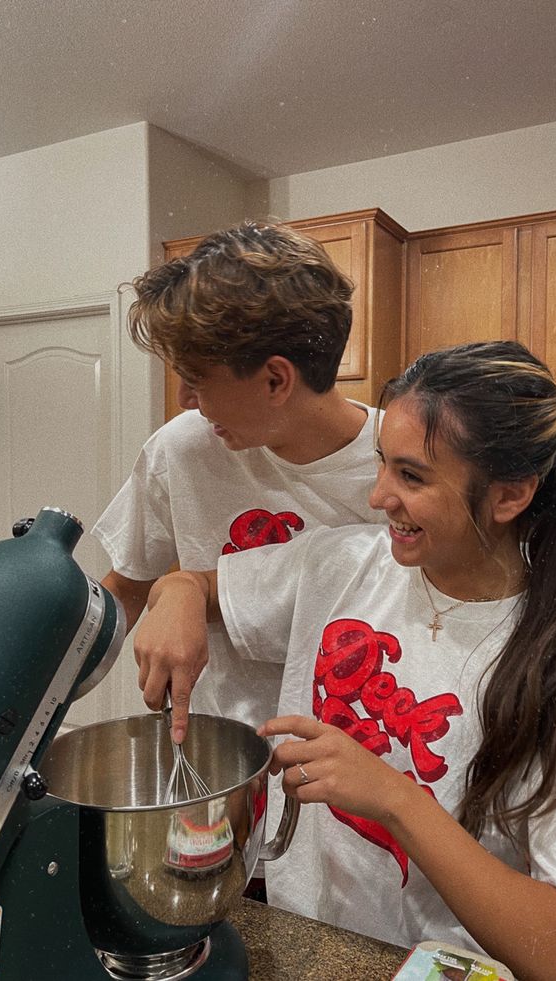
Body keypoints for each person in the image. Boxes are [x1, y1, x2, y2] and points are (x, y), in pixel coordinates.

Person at [133, 341, 556, 980]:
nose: (378, 496)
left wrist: (396, 801)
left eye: (411, 476)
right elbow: (193, 589)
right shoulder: (342, 565)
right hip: (307, 948)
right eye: (382, 464)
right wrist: (178, 595)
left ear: (510, 495)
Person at [92, 220, 386, 743]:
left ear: (276, 379)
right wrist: (33, 692)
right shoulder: (181, 448)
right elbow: (127, 587)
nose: (184, 399)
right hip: (220, 756)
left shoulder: (407, 469)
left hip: (362, 767)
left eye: (197, 379)